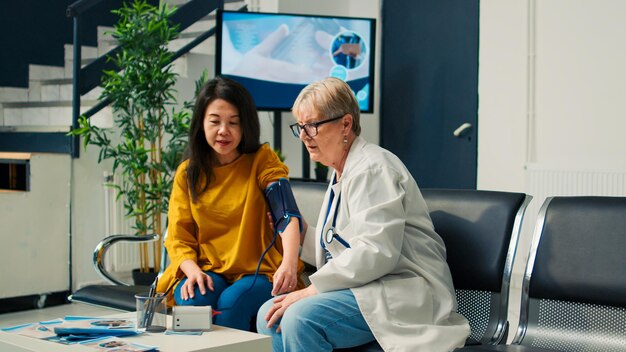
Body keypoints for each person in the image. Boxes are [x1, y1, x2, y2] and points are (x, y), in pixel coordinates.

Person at [256, 77, 470, 351]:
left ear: (345, 124)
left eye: (312, 125)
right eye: (301, 127)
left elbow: (376, 252)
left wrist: (312, 289)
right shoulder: (341, 171)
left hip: (399, 290)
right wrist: (301, 233)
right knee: (270, 316)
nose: (305, 136)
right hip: (364, 286)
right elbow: (339, 248)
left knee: (299, 319)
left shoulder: (373, 168)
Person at [156, 76, 304, 331]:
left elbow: (287, 214)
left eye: (233, 123)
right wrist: (191, 271)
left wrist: (289, 264)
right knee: (193, 298)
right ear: (201, 123)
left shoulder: (262, 161)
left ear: (245, 125)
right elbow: (179, 237)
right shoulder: (187, 173)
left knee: (231, 305)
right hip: (207, 268)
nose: (223, 131)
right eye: (215, 121)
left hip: (259, 272)